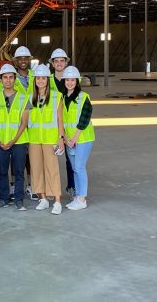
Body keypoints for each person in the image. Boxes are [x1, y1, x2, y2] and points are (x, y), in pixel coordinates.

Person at [0, 64, 30, 211]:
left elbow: (24, 123)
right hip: (0, 142)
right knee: (2, 171)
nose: (8, 80)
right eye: (5, 77)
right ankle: (3, 198)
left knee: (19, 171)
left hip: (18, 141)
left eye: (11, 77)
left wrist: (13, 140)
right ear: (0, 80)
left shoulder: (23, 98)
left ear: (14, 79)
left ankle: (19, 199)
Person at [27, 64, 65, 215]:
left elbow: (60, 120)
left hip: (50, 139)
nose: (41, 81)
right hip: (34, 139)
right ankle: (42, 198)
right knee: (36, 169)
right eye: (38, 78)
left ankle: (57, 201)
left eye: (43, 78)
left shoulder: (56, 96)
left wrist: (60, 138)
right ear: (35, 80)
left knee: (52, 169)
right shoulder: (30, 98)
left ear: (48, 80)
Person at [61, 66, 95, 211]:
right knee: (75, 168)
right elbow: (62, 120)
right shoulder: (62, 98)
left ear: (77, 81)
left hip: (83, 138)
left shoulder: (84, 97)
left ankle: (82, 199)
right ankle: (77, 196)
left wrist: (73, 138)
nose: (70, 83)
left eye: (72, 80)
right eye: (67, 80)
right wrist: (66, 139)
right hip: (69, 140)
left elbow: (84, 119)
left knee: (80, 167)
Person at [49, 48, 76, 199]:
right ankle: (51, 189)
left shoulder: (71, 80)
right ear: (52, 63)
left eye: (62, 61)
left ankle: (72, 187)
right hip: (51, 125)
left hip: (68, 126)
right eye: (56, 61)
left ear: (66, 62)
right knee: (50, 159)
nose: (59, 63)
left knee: (70, 159)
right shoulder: (47, 79)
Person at [13, 46, 36, 200]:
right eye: (20, 58)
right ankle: (14, 184)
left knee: (32, 155)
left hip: (35, 121)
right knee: (16, 155)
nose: (23, 61)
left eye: (25, 58)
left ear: (29, 60)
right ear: (15, 61)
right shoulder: (9, 77)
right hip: (17, 121)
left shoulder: (36, 76)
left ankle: (31, 184)